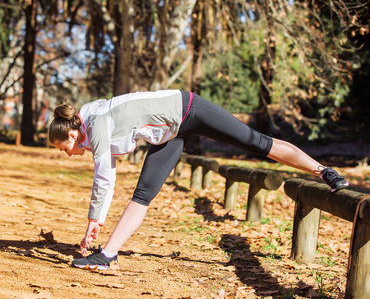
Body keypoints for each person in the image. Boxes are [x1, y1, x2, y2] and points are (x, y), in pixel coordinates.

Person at [48, 90, 348, 270]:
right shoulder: (92, 123)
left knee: (257, 143)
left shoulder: (96, 124)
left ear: (73, 134)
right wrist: (96, 223)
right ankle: (108, 255)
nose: (68, 154)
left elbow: (104, 177)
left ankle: (323, 171)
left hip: (189, 109)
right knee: (143, 193)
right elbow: (109, 171)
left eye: (65, 149)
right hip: (169, 133)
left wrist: (92, 221)